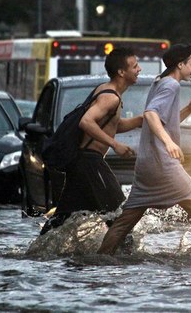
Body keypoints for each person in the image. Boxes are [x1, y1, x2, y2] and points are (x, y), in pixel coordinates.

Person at [98, 43, 191, 255]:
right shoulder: (171, 85)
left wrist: (188, 110)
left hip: (147, 165)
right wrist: (169, 142)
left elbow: (162, 120)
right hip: (163, 164)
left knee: (126, 220)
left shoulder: (160, 82)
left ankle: (102, 255)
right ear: (180, 64)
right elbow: (150, 114)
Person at [40, 48, 143, 235]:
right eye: (135, 66)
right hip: (89, 162)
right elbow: (86, 122)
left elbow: (112, 125)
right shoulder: (110, 97)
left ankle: (39, 252)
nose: (139, 69)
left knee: (64, 218)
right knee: (119, 214)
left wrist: (140, 120)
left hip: (82, 162)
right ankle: (124, 256)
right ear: (121, 72)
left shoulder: (106, 90)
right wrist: (116, 145)